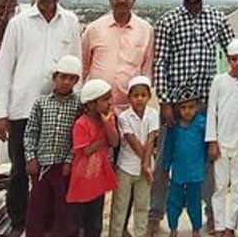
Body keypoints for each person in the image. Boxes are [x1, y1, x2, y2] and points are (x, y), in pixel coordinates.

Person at [0, 0, 83, 233]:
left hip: (61, 110)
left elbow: (78, 65)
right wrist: (0, 113)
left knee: (56, 174)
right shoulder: (19, 23)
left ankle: (51, 225)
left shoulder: (70, 21)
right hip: (23, 109)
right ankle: (19, 222)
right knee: (21, 170)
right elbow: (4, 69)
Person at [150, 0, 237, 236]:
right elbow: (160, 63)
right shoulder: (168, 20)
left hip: (206, 106)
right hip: (175, 107)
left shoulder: (217, 18)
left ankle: (212, 215)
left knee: (209, 162)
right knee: (166, 159)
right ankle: (155, 215)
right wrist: (164, 102)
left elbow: (235, 50)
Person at [23, 54, 84, 237]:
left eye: (71, 78)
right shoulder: (41, 103)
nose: (66, 82)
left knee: (62, 209)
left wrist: (69, 161)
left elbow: (78, 138)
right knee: (37, 207)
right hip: (42, 165)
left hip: (63, 167)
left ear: (76, 81)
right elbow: (31, 132)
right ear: (54, 78)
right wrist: (31, 158)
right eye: (62, 77)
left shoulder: (78, 105)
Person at [82, 0, 155, 110]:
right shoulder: (93, 29)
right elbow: (83, 68)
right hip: (96, 108)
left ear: (134, 0)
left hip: (130, 110)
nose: (122, 0)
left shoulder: (146, 31)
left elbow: (147, 72)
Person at [206, 38, 238, 237]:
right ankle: (218, 226)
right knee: (219, 187)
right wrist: (212, 141)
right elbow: (211, 112)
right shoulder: (219, 81)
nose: (237, 63)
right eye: (233, 59)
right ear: (227, 60)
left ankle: (230, 227)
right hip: (221, 143)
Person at [68, 78, 121, 237]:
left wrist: (107, 124)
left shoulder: (109, 119)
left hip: (98, 177)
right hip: (82, 177)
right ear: (91, 104)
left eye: (110, 98)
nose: (110, 102)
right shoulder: (81, 123)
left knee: (95, 220)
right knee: (79, 220)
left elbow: (114, 141)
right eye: (105, 99)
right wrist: (102, 141)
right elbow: (86, 150)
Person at [111, 76, 160, 237]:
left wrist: (146, 166)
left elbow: (151, 139)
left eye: (143, 95)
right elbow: (132, 141)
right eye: (135, 95)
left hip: (145, 169)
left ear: (148, 96)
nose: (139, 99)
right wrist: (145, 165)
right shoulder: (124, 117)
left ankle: (140, 233)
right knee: (120, 206)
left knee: (142, 205)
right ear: (129, 97)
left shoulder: (153, 114)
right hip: (126, 167)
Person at [161, 94, 208, 237]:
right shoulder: (174, 127)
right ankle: (173, 228)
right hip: (178, 173)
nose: (187, 111)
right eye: (183, 108)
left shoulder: (202, 124)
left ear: (198, 107)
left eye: (191, 107)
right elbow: (168, 148)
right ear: (177, 109)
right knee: (173, 202)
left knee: (194, 203)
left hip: (196, 172)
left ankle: (196, 229)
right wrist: (165, 167)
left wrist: (205, 164)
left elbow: (206, 146)